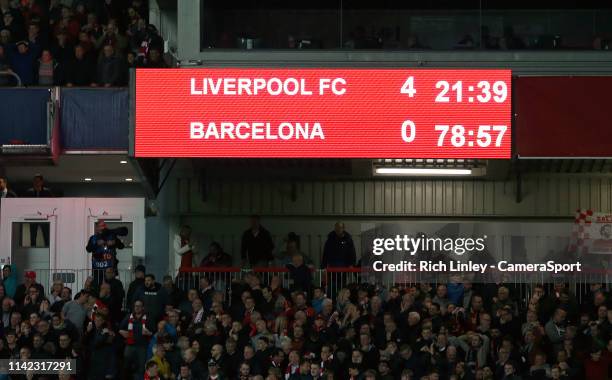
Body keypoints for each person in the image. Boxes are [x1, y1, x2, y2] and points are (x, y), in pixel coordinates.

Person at [119, 299, 154, 380]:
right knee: (126, 366)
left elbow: (153, 332)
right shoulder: (129, 316)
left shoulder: (148, 318)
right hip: (130, 346)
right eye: (136, 306)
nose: (137, 308)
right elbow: (120, 328)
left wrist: (148, 333)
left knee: (141, 368)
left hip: (142, 347)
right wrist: (123, 333)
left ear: (143, 308)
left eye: (139, 306)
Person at [85, 220, 127, 285]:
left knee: (111, 288)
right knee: (97, 288)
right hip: (97, 269)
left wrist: (115, 242)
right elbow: (88, 249)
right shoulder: (93, 238)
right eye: (101, 226)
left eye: (104, 225)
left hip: (110, 269)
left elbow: (121, 246)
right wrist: (96, 244)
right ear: (97, 228)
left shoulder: (112, 236)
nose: (103, 227)